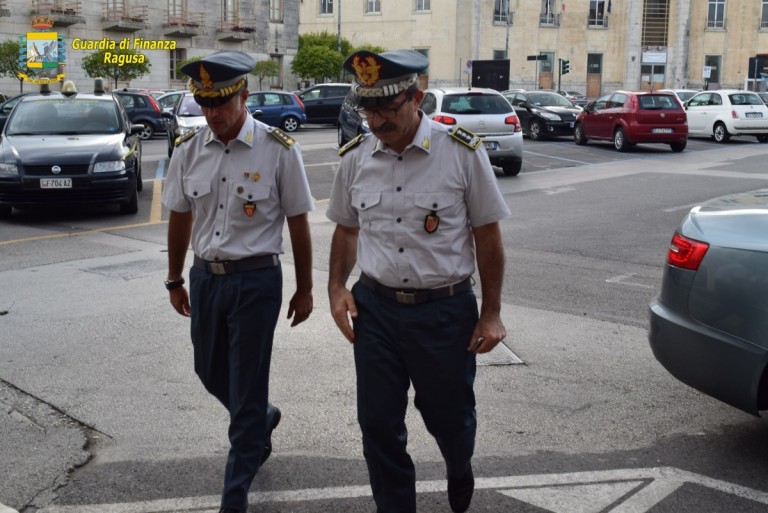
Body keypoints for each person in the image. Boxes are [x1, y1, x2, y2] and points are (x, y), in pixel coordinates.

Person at [326, 49, 510, 513]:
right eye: (369, 109)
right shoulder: (354, 158)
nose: (377, 120)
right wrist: (335, 288)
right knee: (378, 425)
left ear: (418, 99)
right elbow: (346, 229)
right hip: (376, 307)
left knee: (450, 418)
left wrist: (491, 313)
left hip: (445, 311)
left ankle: (458, 461)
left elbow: (487, 235)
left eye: (389, 107)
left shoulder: (461, 153)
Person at [162, 50, 314, 513]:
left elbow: (298, 222)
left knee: (247, 385)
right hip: (206, 279)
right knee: (208, 370)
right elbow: (179, 217)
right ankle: (260, 420)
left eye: (220, 105)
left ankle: (235, 492)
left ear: (243, 96)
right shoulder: (189, 150)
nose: (211, 115)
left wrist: (305, 288)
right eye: (204, 105)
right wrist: (174, 279)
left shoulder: (278, 149)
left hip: (256, 282)